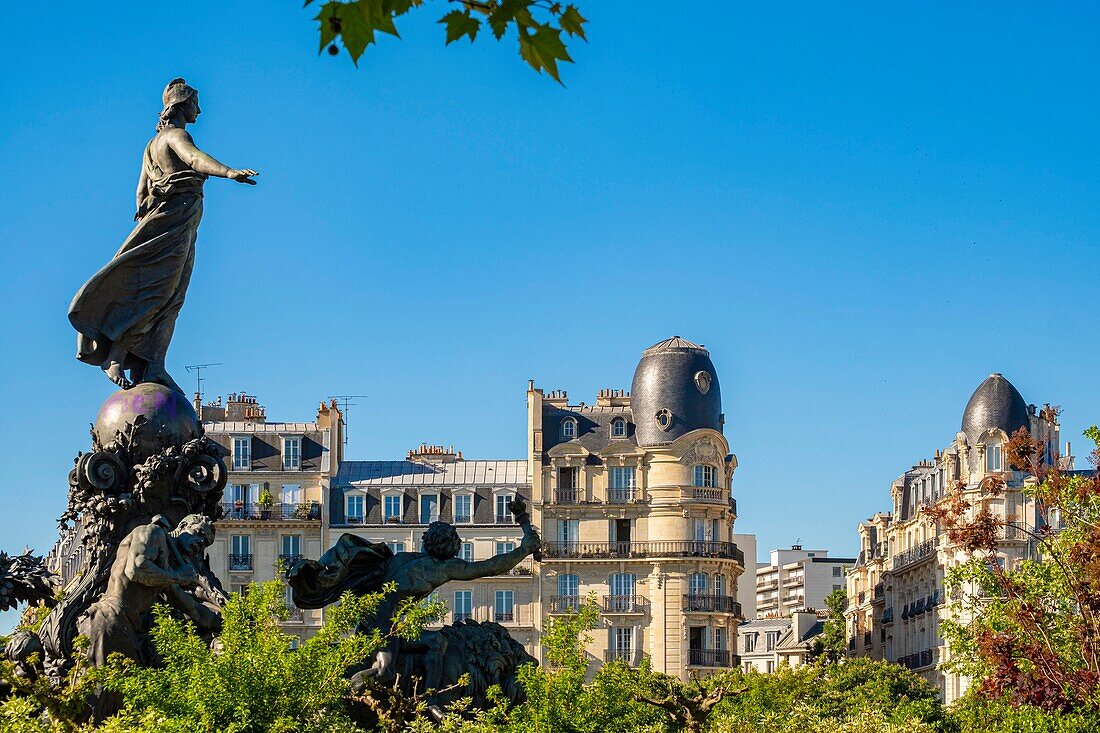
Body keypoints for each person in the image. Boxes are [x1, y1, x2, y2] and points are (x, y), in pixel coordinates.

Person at [69, 78, 257, 392]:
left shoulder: (149, 147)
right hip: (176, 218)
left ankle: (154, 364)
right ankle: (116, 355)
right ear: (182, 105)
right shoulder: (176, 136)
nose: (200, 108)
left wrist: (157, 195)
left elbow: (140, 198)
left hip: (178, 221)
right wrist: (229, 172)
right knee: (162, 293)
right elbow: (195, 159)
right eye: (196, 102)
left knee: (173, 295)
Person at [287, 499, 541, 688]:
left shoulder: (406, 558)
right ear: (450, 546)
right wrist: (523, 550)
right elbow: (489, 567)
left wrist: (523, 522)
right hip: (384, 621)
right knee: (382, 671)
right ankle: (341, 692)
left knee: (437, 642)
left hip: (374, 618)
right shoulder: (441, 567)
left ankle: (429, 699)